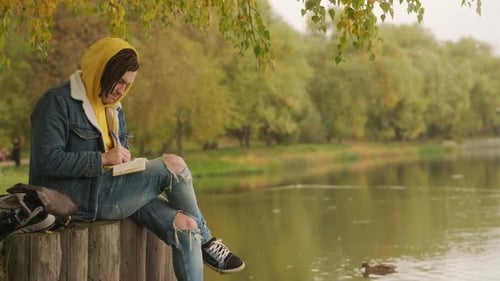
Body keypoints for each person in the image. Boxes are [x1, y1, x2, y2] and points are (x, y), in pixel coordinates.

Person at [29, 37, 245, 281]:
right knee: (173, 165)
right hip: (75, 199)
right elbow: (46, 161)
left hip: (111, 191)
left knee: (186, 227)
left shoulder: (114, 109)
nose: (122, 90)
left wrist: (125, 163)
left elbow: (119, 157)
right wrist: (101, 159)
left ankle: (201, 238)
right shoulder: (57, 102)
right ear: (101, 70)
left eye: (127, 84)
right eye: (119, 81)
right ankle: (209, 242)